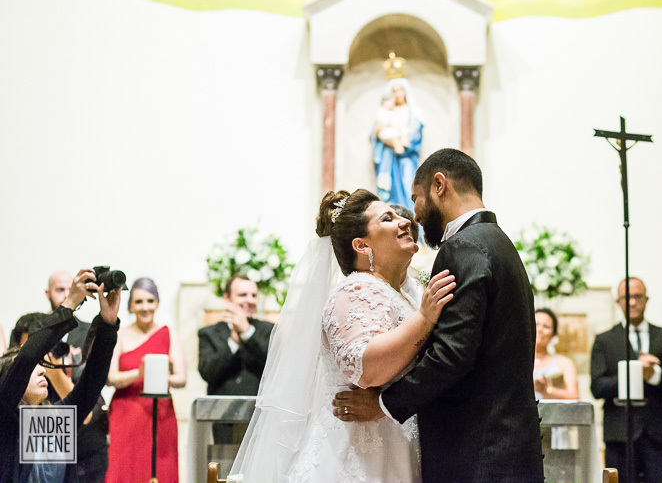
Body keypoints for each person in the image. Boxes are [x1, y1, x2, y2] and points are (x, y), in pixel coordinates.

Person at [335, 149, 545, 481]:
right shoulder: (498, 242)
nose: (414, 217)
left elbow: (451, 354)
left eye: (415, 199)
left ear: (439, 186)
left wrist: (384, 404)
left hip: (477, 453)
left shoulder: (464, 246)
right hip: (500, 447)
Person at [230, 189, 455, 481]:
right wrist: (424, 320)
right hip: (354, 452)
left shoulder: (398, 293)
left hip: (392, 443)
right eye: (388, 219)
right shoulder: (356, 289)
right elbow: (365, 368)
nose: (405, 221)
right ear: (361, 245)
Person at [0, 268, 121, 483]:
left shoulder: (52, 418)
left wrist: (108, 324)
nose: (42, 370)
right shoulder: (5, 416)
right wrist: (70, 303)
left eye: (42, 365)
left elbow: (91, 383)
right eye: (33, 367)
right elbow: (26, 358)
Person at [590, 277, 662, 483]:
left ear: (646, 299)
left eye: (638, 296)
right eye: (626, 297)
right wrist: (635, 371)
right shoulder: (604, 340)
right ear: (618, 302)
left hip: (658, 432)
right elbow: (598, 387)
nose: (632, 302)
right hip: (619, 432)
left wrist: (654, 374)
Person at [105, 277, 186, 483]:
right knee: (123, 468)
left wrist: (160, 377)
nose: (145, 307)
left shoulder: (169, 334)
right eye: (139, 302)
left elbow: (181, 378)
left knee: (160, 467)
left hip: (160, 412)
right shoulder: (120, 335)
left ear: (157, 303)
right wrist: (138, 373)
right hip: (126, 410)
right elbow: (111, 379)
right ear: (131, 306)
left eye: (150, 301)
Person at [45, 269, 110, 483]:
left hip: (87, 438)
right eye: (60, 289)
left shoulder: (88, 331)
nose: (66, 295)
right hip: (46, 430)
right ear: (47, 293)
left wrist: (55, 372)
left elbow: (93, 380)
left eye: (70, 289)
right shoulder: (35, 331)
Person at [198, 274, 274, 443]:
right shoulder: (209, 333)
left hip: (261, 420)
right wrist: (233, 342)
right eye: (242, 295)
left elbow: (274, 366)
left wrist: (247, 333)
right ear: (227, 298)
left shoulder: (268, 330)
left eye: (253, 295)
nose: (249, 300)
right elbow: (207, 372)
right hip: (222, 420)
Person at [372, 78, 423, 210]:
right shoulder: (387, 110)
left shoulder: (412, 112)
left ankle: (411, 215)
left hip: (406, 156)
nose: (397, 94)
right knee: (388, 186)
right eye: (394, 91)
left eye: (400, 90)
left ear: (405, 91)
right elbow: (376, 134)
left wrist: (404, 144)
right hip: (389, 156)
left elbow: (417, 135)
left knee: (408, 185)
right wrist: (387, 139)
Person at [534, 307, 579, 400]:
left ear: (553, 334)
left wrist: (545, 390)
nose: (540, 329)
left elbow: (574, 396)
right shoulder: (516, 361)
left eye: (546, 326)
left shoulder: (564, 363)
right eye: (535, 324)